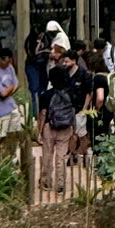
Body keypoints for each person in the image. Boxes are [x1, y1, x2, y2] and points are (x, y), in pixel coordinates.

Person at [37, 52, 79, 193]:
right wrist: (74, 130)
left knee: (47, 155)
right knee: (61, 157)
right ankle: (60, 184)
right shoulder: (70, 95)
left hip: (49, 127)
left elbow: (43, 114)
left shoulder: (45, 96)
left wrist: (39, 132)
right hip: (66, 128)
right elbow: (73, 112)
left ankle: (46, 181)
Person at [0, 47, 22, 156]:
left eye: (9, 62)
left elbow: (17, 84)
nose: (8, 65)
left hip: (11, 107)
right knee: (0, 138)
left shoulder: (10, 68)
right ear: (0, 59)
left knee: (13, 135)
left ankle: (12, 157)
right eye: (6, 62)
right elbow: (1, 94)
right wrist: (10, 87)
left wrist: (9, 90)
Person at [85, 37, 115, 137]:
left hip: (111, 80)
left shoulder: (114, 51)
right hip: (104, 77)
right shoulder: (96, 53)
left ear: (105, 47)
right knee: (106, 119)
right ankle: (108, 133)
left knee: (114, 109)